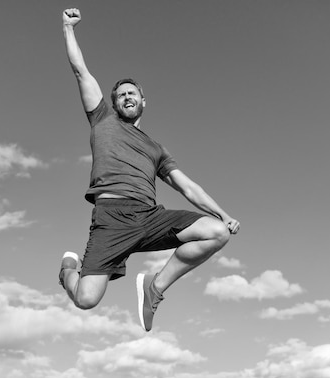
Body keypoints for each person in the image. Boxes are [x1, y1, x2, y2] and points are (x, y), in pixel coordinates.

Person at [59, 8, 240, 332]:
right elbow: (81, 72)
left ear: (144, 100)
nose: (127, 97)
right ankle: (67, 270)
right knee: (86, 299)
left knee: (216, 232)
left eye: (132, 93)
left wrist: (223, 214)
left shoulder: (157, 149)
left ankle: (154, 288)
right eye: (121, 94)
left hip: (149, 216)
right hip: (111, 218)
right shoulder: (103, 119)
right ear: (114, 103)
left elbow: (188, 188)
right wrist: (68, 28)